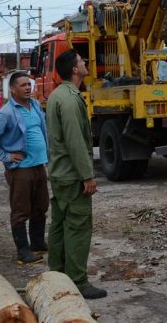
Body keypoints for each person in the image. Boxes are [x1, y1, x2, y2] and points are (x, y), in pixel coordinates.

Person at [46, 50, 107, 300]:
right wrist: (87, 175)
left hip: (60, 174)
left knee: (60, 225)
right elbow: (75, 142)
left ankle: (57, 275)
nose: (85, 63)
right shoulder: (70, 99)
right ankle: (78, 281)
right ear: (74, 69)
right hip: (72, 176)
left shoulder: (57, 95)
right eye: (82, 61)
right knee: (78, 227)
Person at [0, 71, 50, 265]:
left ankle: (37, 244)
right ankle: (23, 252)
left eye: (29, 84)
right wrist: (5, 156)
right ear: (12, 90)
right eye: (23, 85)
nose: (28, 88)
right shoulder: (7, 113)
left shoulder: (35, 105)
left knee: (40, 207)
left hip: (38, 165)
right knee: (20, 210)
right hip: (21, 169)